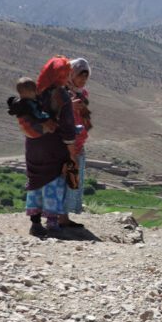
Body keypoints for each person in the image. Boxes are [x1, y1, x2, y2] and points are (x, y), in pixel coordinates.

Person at [24, 56, 78, 237]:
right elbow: (68, 128)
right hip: (53, 147)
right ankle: (52, 224)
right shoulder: (61, 95)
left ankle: (35, 223)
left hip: (33, 146)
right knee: (54, 182)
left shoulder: (34, 92)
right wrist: (72, 153)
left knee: (36, 180)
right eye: (66, 72)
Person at [62, 58, 93, 227]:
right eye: (80, 76)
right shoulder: (63, 93)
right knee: (65, 179)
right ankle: (60, 216)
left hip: (78, 142)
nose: (82, 81)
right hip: (66, 144)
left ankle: (67, 214)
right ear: (71, 74)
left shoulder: (82, 94)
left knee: (73, 179)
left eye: (85, 78)